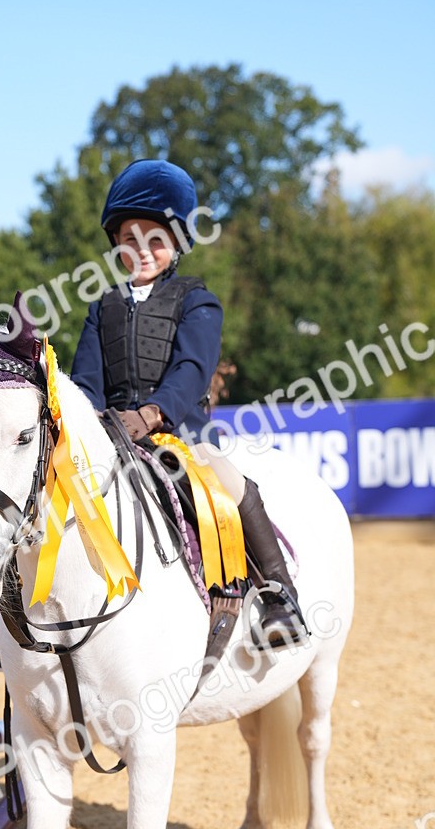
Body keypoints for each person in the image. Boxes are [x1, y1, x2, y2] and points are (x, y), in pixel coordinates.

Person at [70, 159, 303, 646]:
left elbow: (192, 369)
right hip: (111, 436)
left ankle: (279, 597)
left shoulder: (197, 300)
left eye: (155, 239)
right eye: (130, 238)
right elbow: (86, 380)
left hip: (179, 435)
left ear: (176, 243)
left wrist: (151, 414)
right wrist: (89, 421)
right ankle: (17, 613)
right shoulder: (101, 307)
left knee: (227, 481)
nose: (142, 249)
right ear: (116, 244)